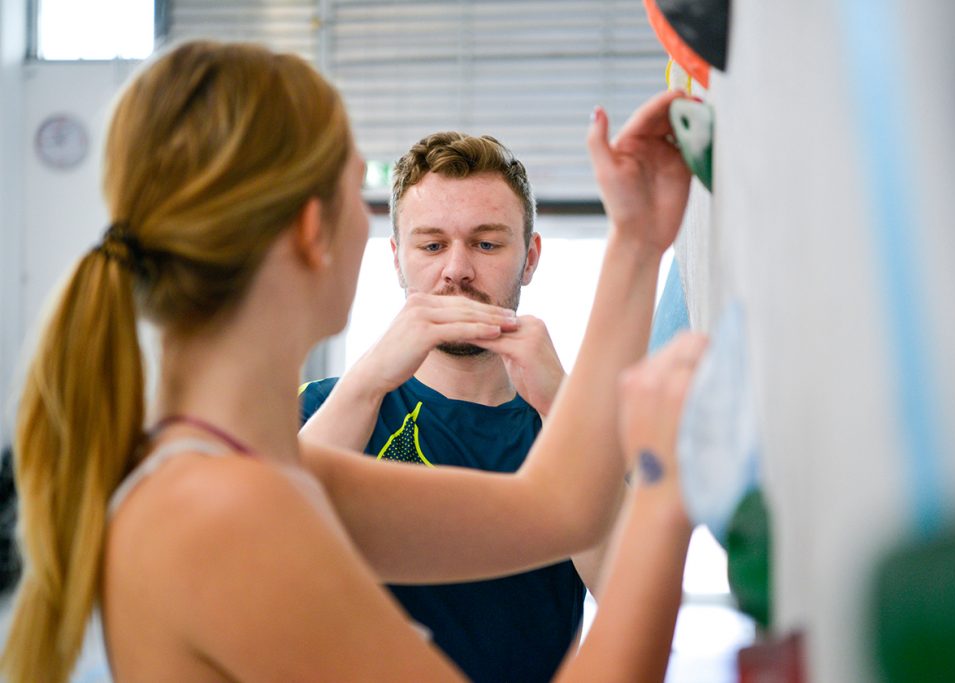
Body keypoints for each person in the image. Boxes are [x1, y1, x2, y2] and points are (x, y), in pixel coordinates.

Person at [1, 40, 704, 682]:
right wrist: (665, 483)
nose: (455, 268)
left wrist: (636, 241)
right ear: (315, 232)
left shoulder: (267, 472)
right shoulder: (223, 514)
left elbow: (557, 507)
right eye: (355, 196)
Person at [298, 132, 600, 682]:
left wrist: (564, 407)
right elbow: (270, 549)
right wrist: (367, 382)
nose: (456, 270)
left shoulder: (578, 427)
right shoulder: (324, 408)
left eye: (486, 244)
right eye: (432, 245)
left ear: (529, 258)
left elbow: (634, 593)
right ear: (398, 259)